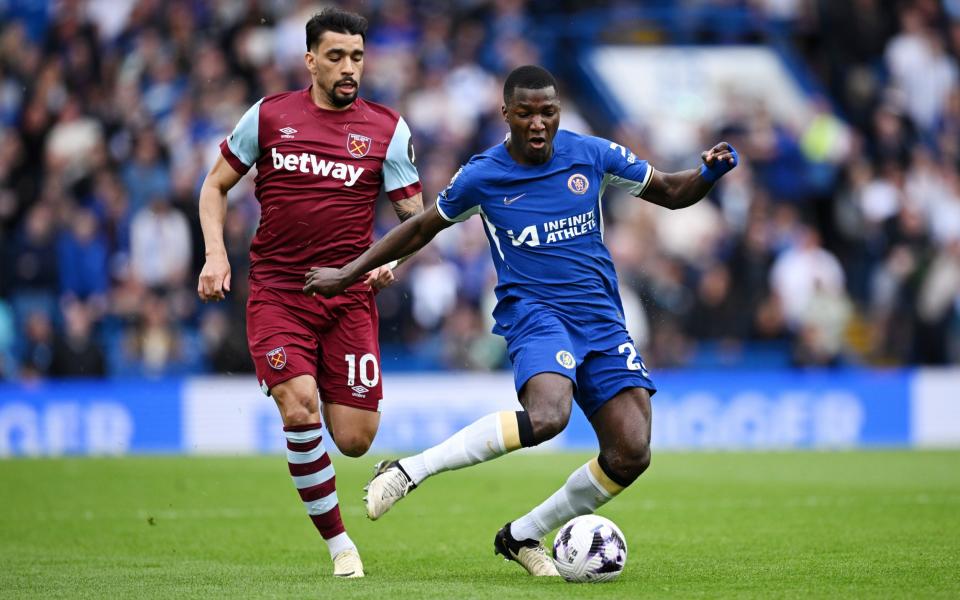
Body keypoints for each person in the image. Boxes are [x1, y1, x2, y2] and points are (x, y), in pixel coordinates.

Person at [304, 65, 738, 576]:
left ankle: (523, 534)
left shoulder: (592, 154)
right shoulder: (483, 175)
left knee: (631, 452)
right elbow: (422, 228)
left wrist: (707, 173)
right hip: (535, 313)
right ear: (506, 113)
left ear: (559, 113)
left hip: (601, 319)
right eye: (527, 113)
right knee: (548, 416)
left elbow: (669, 189)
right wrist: (351, 272)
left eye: (548, 112)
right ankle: (408, 471)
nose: (538, 123)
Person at [196, 8, 423, 578]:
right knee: (299, 410)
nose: (350, 68)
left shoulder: (387, 129)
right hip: (278, 291)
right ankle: (340, 546)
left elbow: (414, 218)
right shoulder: (270, 116)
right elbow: (214, 186)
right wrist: (216, 254)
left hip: (348, 298)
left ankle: (326, 399)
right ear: (310, 60)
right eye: (337, 56)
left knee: (354, 439)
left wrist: (391, 258)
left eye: (358, 57)